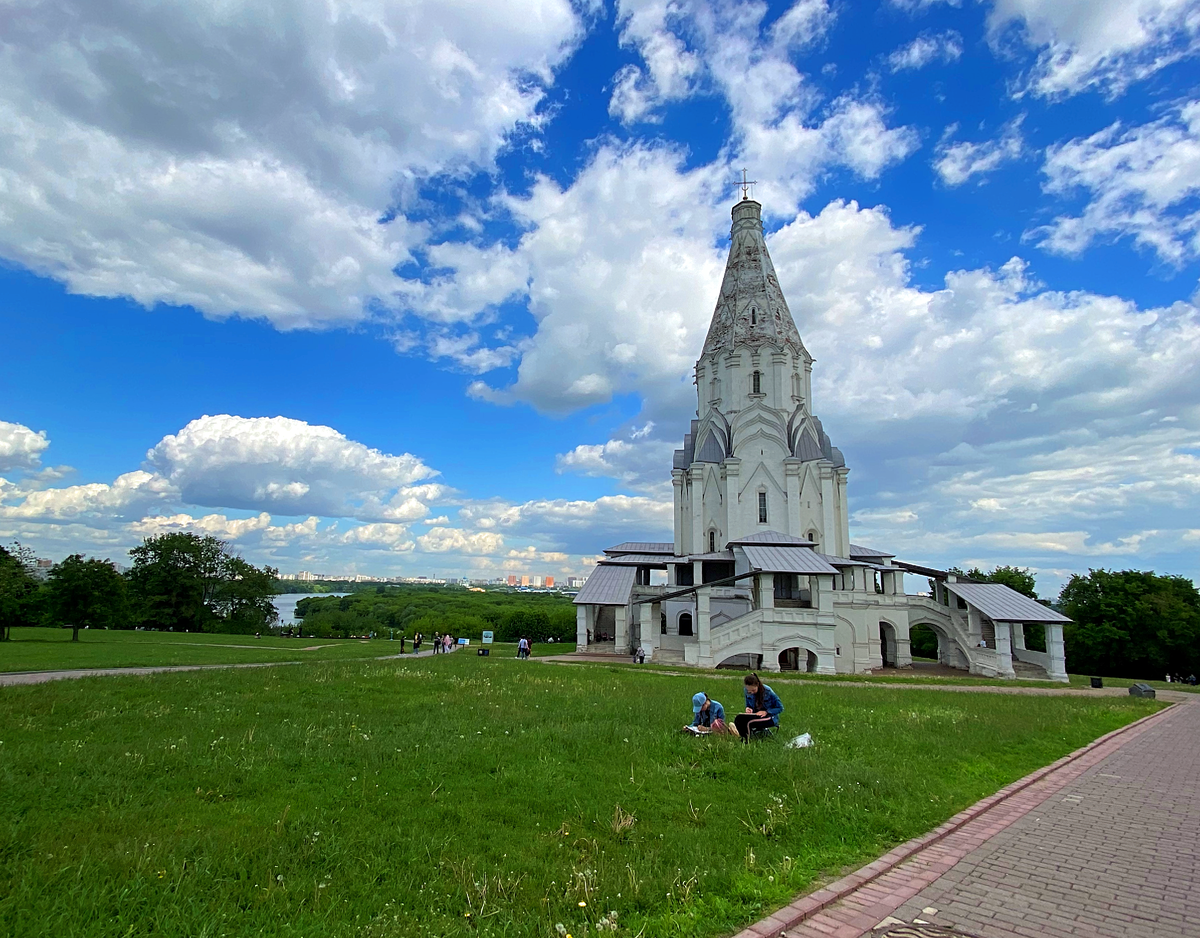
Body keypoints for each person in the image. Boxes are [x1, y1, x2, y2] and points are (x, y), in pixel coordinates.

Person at [733, 673, 783, 743]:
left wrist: (766, 712)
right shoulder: (746, 690)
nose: (751, 692)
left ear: (758, 685)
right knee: (739, 719)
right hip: (755, 715)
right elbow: (748, 704)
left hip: (770, 717)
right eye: (749, 691)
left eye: (753, 690)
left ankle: (748, 740)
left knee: (748, 722)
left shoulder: (768, 691)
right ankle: (743, 738)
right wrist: (748, 708)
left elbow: (780, 708)